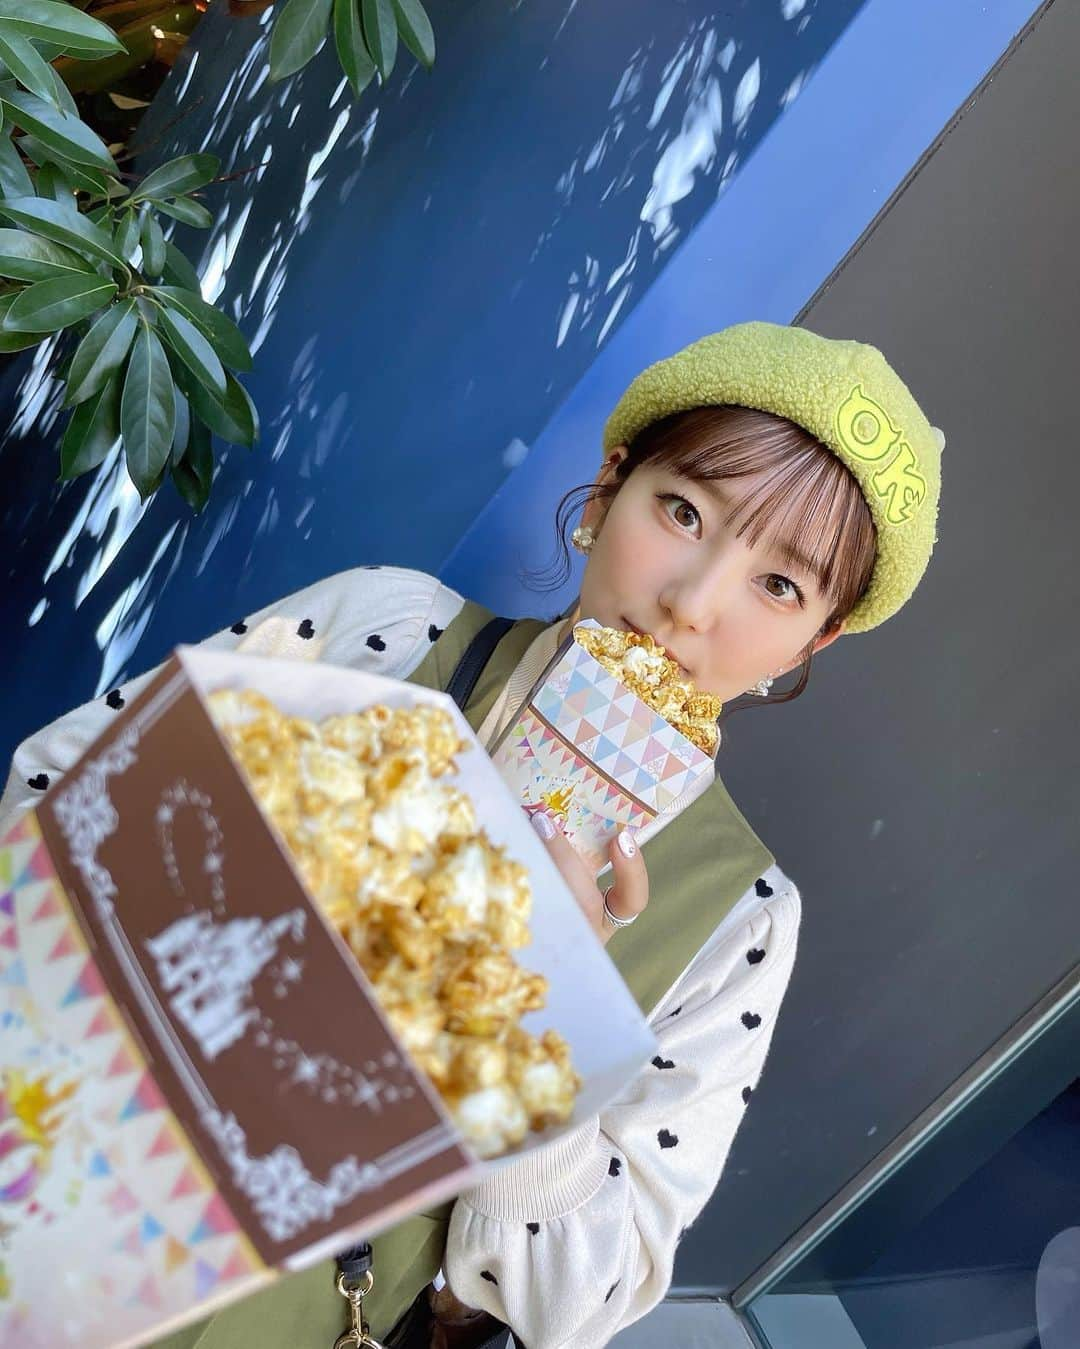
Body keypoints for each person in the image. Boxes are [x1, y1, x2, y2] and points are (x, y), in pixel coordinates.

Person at [0, 321, 942, 1348]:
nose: (692, 601)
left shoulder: (737, 918)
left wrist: (540, 1014)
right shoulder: (391, 632)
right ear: (608, 485)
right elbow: (47, 788)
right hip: (49, 1158)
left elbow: (581, 1303)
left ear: (815, 639)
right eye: (682, 511)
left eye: (781, 585)